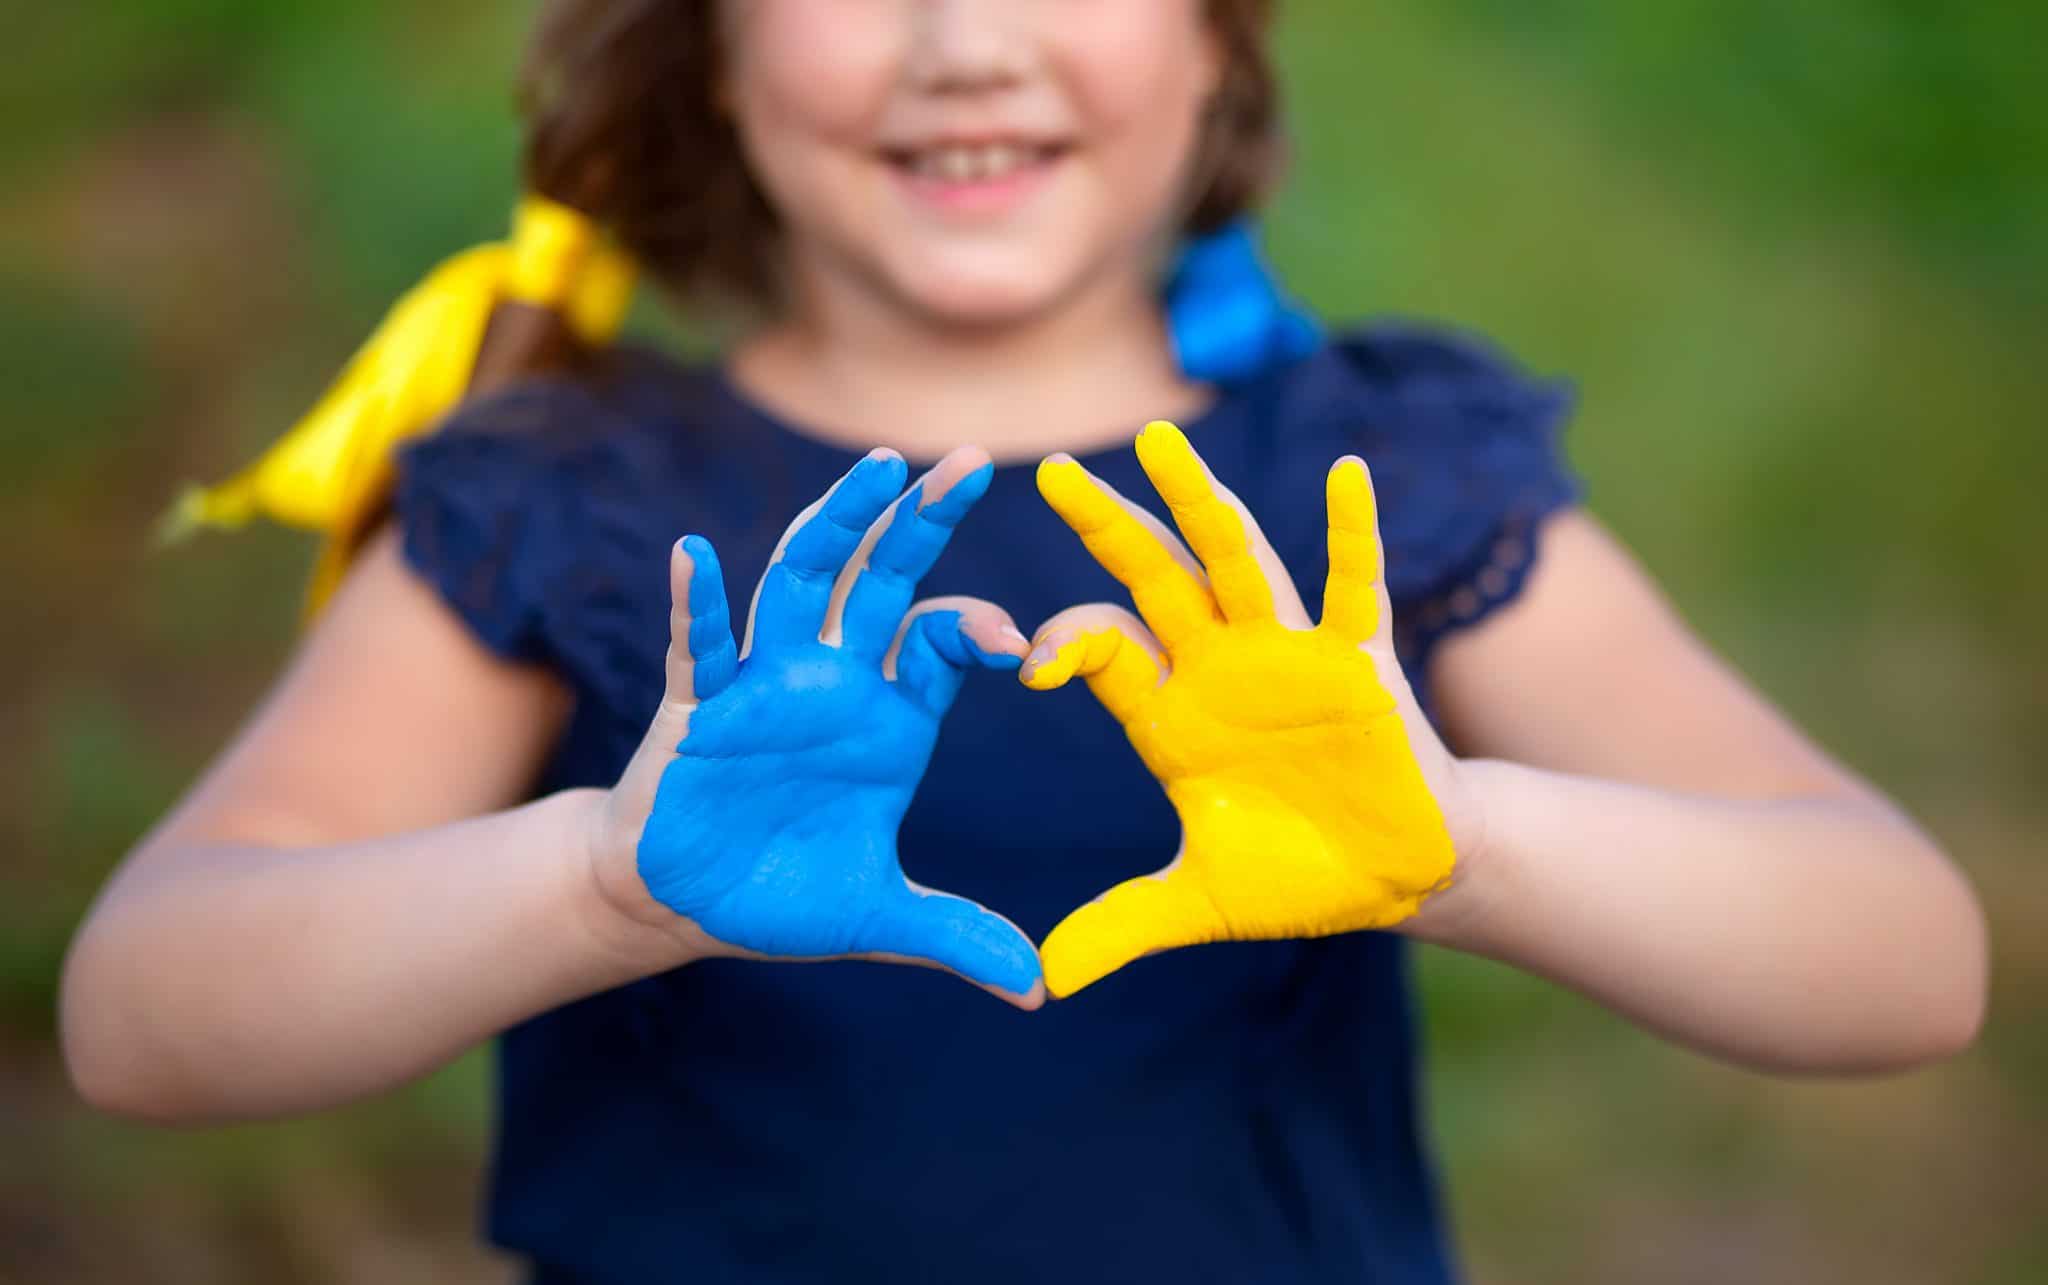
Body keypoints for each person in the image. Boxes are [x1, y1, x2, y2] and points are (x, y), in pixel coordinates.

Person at [61, 3, 1987, 1282]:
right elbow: (143, 1014)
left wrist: (1468, 843)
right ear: (706, 52)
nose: (965, 44)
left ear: (1223, 46)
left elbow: (1900, 959)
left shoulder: (1368, 482)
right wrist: (593, 881)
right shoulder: (567, 493)